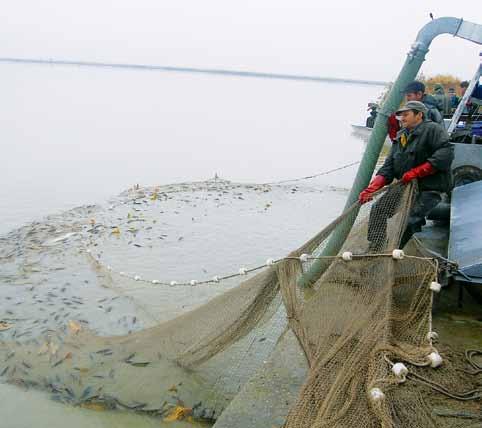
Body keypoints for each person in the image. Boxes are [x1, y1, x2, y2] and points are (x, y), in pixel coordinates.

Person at [358, 101, 453, 252]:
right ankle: (377, 246)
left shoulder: (433, 129)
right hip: (404, 185)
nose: (402, 118)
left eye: (406, 114)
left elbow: (445, 154)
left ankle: (394, 250)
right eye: (400, 115)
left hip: (429, 189)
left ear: (419, 115)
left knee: (410, 220)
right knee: (378, 209)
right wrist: (372, 188)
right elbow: (389, 166)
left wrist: (418, 172)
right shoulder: (401, 135)